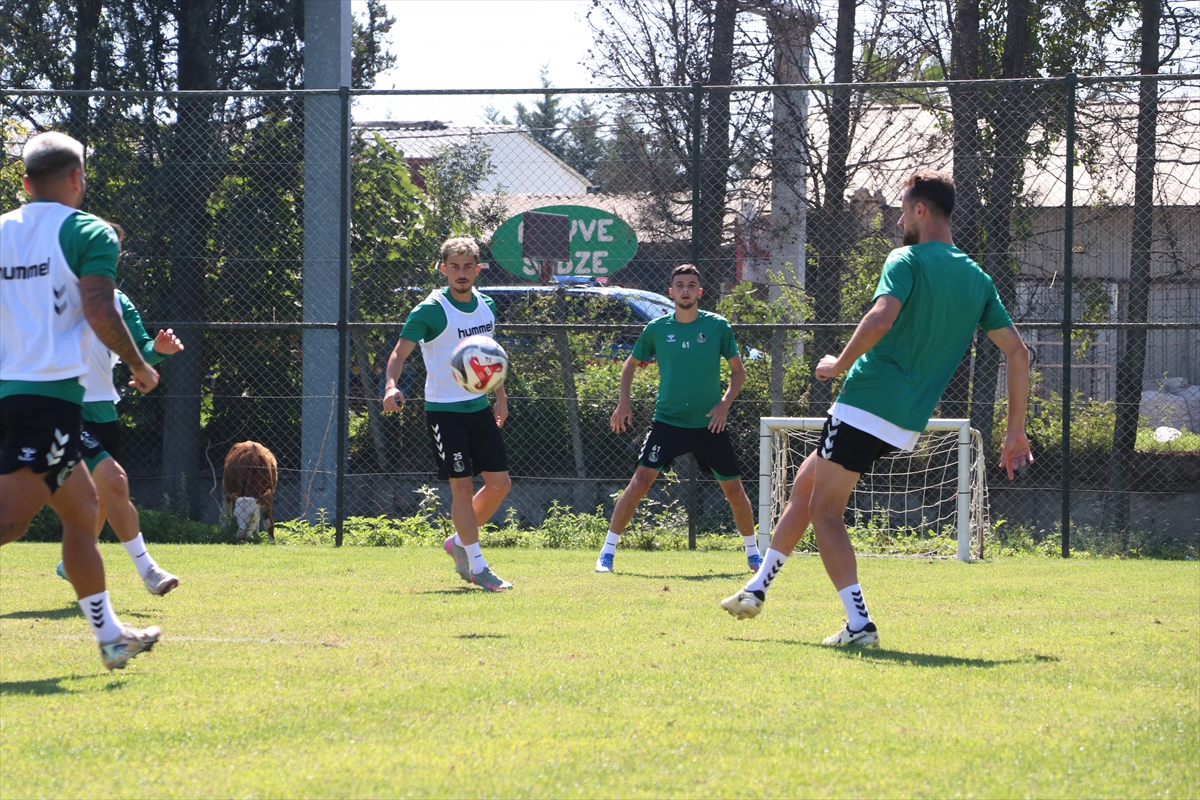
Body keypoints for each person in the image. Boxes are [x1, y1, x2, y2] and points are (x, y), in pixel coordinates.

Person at [721, 170, 1033, 647]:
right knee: (805, 486)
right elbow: (1018, 353)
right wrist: (1015, 430)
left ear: (920, 210)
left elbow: (882, 317)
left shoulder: (906, 258)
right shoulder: (978, 278)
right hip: (905, 419)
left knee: (826, 512)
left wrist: (839, 363)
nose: (900, 221)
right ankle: (757, 588)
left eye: (904, 211)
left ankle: (859, 624)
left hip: (865, 401)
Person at [0, 131, 163, 669]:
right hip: (45, 397)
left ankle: (112, 636)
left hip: (22, 393)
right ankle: (111, 634)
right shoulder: (88, 230)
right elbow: (99, 309)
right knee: (10, 522)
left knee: (82, 510)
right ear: (77, 178)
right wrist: (139, 364)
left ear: (26, 184)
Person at [596, 264, 762, 574]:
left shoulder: (717, 326)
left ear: (700, 292)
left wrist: (724, 404)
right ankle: (606, 554)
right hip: (668, 422)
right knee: (639, 483)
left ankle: (753, 555)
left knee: (734, 491)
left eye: (691, 285)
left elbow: (738, 372)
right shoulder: (657, 328)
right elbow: (630, 365)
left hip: (709, 424)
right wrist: (623, 402)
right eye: (680, 285)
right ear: (671, 292)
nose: (686, 289)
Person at [381, 237, 513, 591]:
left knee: (500, 485)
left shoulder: (486, 306)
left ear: (478, 270)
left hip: (479, 408)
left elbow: (489, 358)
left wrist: (500, 397)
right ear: (443, 269)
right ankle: (477, 566)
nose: (461, 273)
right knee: (462, 487)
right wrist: (390, 386)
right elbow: (398, 354)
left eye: (468, 266)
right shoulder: (430, 310)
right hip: (445, 412)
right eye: (454, 266)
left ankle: (458, 542)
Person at [56, 285, 183, 595]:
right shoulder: (44, 287)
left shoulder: (116, 298)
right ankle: (148, 569)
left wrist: (159, 350)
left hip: (104, 412)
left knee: (102, 496)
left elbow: (142, 348)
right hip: (62, 406)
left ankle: (73, 561)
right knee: (114, 481)